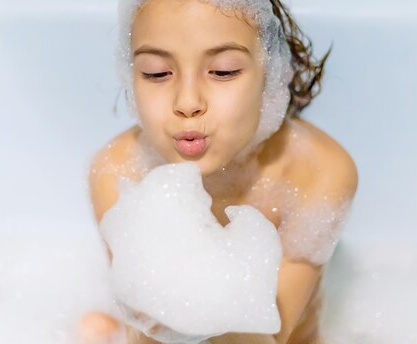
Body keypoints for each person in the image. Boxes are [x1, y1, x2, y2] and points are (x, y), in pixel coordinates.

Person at [81, 0, 358, 343]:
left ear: (270, 73)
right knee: (92, 328)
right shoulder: (118, 172)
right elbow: (144, 334)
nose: (187, 102)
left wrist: (187, 320)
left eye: (223, 71)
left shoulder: (315, 172)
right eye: (156, 72)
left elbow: (272, 333)